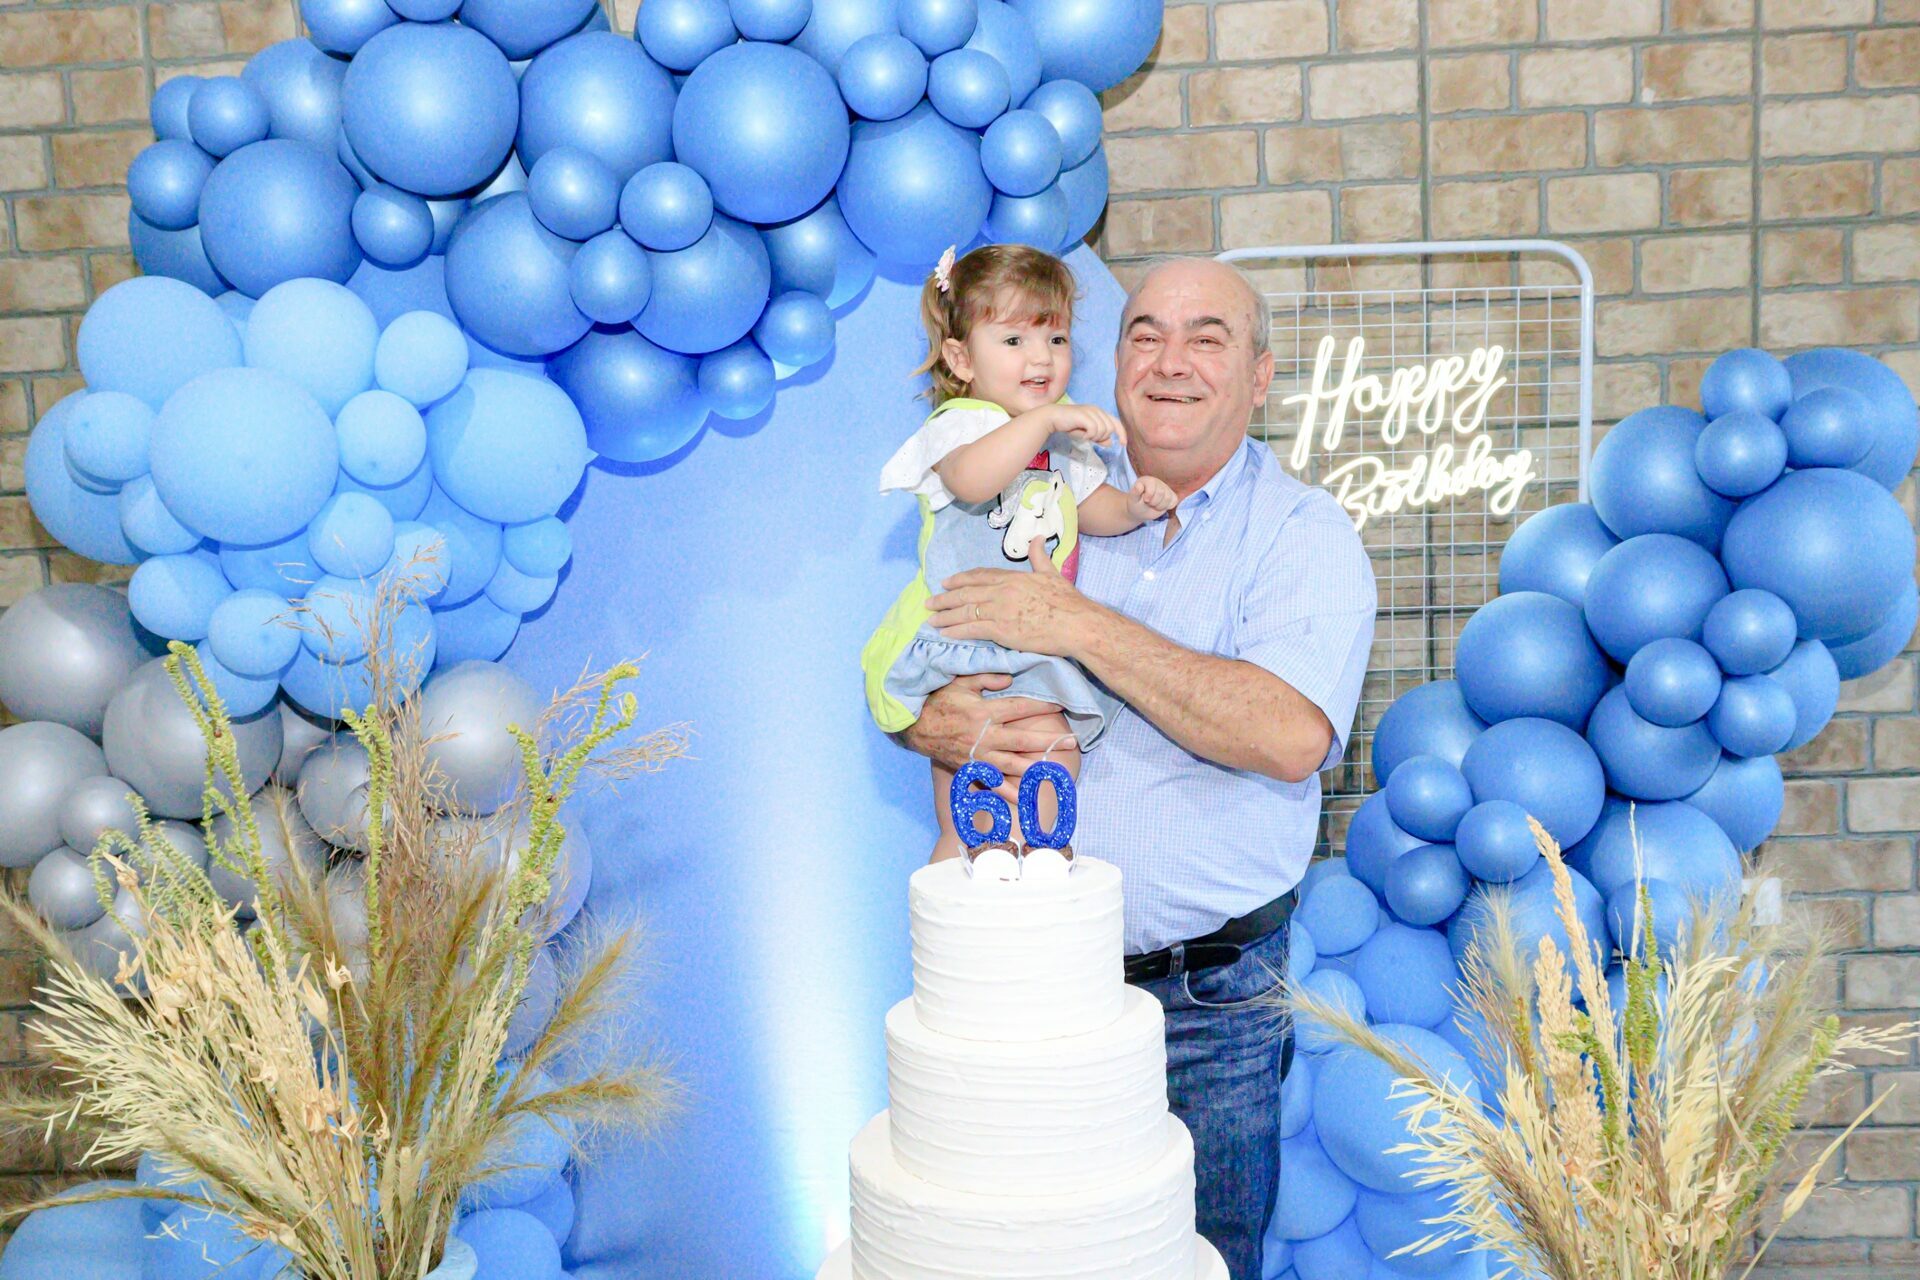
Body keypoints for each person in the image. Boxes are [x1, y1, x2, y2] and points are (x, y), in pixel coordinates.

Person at [899, 255, 1377, 1280]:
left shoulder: (1302, 535)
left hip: (1204, 1010)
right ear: (1114, 362)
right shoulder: (1040, 489)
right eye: (1145, 334)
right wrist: (932, 722)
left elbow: (1288, 734)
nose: (1170, 361)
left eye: (1208, 338)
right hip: (1026, 986)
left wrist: (1077, 622)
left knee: (1195, 1260)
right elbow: (937, 647)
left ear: (1260, 375)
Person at [861, 243, 1177, 862]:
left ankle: (1043, 868)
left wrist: (1134, 507)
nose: (1041, 357)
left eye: (1056, 339)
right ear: (961, 359)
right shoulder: (962, 424)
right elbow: (972, 480)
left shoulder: (1059, 438)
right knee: (973, 805)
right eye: (1014, 340)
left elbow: (1088, 507)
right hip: (966, 647)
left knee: (1053, 761)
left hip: (1036, 645)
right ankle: (964, 884)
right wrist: (1042, 423)